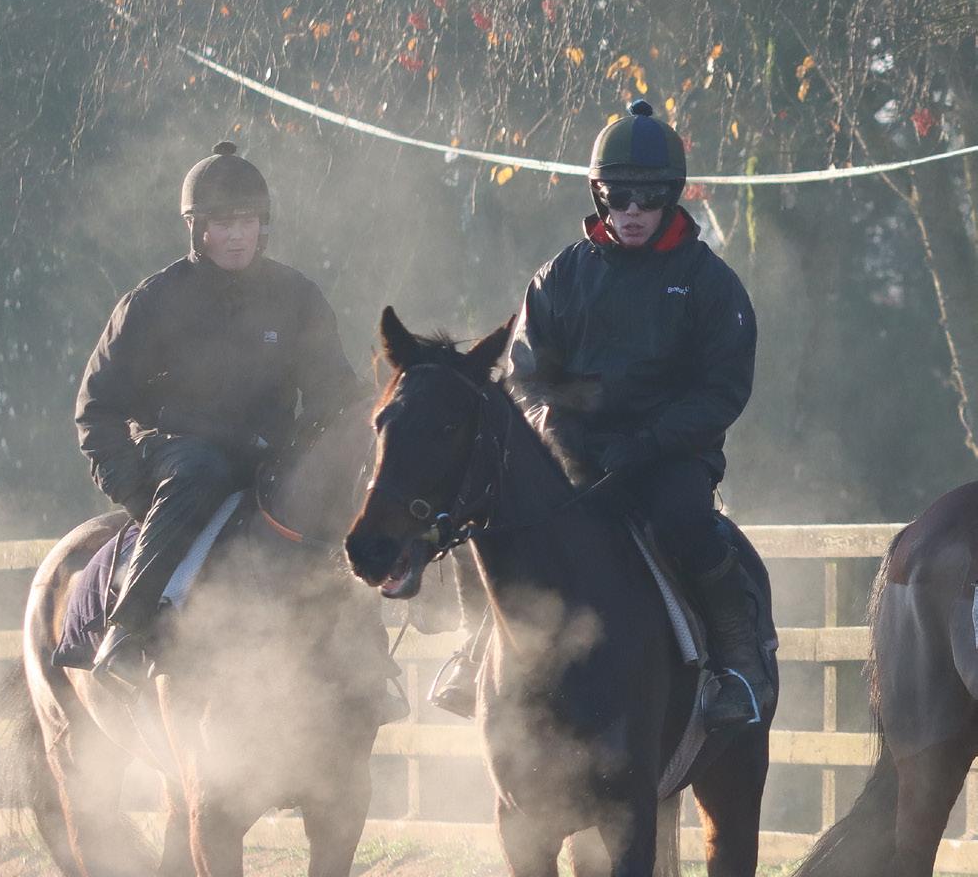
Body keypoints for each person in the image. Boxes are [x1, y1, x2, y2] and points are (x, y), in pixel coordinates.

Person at [432, 99, 772, 730]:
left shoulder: (709, 282)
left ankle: (736, 664)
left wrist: (648, 443)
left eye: (649, 197)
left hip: (669, 456)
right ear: (600, 196)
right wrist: (558, 434)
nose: (633, 211)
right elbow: (525, 379)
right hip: (572, 453)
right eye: (620, 197)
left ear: (671, 197)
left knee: (686, 521)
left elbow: (722, 389)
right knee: (485, 512)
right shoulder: (559, 277)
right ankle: (473, 645)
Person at [76, 141, 365, 687]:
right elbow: (97, 407)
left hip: (269, 456)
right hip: (178, 455)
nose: (236, 235)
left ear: (263, 227)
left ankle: (366, 665)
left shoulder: (298, 297)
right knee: (202, 469)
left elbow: (334, 392)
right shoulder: (152, 302)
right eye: (222, 224)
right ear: (197, 229)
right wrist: (133, 490)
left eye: (246, 222)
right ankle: (128, 631)